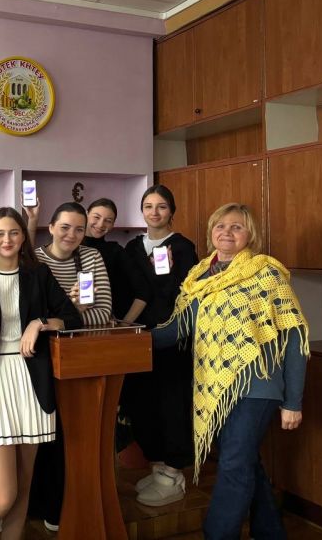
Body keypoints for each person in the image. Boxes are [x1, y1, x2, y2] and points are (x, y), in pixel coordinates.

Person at [151, 203, 308, 538]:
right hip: (217, 388)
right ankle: (271, 533)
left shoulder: (266, 274)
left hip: (258, 387)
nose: (226, 232)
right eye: (220, 226)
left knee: (234, 463)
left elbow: (294, 337)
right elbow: (177, 329)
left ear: (251, 235)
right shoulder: (200, 277)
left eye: (237, 226)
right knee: (244, 460)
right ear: (211, 232)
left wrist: (293, 401)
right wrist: (128, 338)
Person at [0, 207, 81, 540]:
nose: (7, 239)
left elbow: (72, 318)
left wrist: (39, 323)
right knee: (4, 494)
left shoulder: (38, 273)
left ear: (22, 237)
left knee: (24, 485)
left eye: (14, 232)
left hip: (31, 380)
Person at [28, 201, 112, 530]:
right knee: (41, 435)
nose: (71, 235)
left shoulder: (91, 257)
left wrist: (69, 315)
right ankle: (36, 506)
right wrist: (68, 313)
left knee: (72, 437)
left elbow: (104, 313)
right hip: (39, 361)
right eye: (64, 227)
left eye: (79, 229)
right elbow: (32, 315)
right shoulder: (35, 259)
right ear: (50, 227)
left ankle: (60, 508)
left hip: (81, 362)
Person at [123, 184, 198, 506]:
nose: (154, 212)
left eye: (162, 206)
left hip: (171, 341)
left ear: (172, 211)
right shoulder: (132, 247)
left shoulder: (182, 247)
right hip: (137, 339)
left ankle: (173, 470)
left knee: (171, 404)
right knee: (142, 403)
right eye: (148, 206)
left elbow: (181, 293)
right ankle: (158, 468)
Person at [82, 198, 149, 323]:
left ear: (113, 225)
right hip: (70, 322)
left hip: (104, 323)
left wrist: (124, 325)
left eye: (108, 221)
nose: (101, 224)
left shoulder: (115, 251)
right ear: (86, 215)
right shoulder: (70, 247)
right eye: (96, 217)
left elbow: (143, 290)